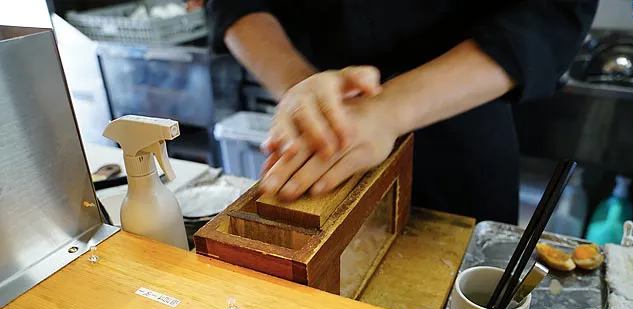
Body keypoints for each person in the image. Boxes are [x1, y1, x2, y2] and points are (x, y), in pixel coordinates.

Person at [211, 1, 598, 224]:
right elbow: (234, 4)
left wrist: (388, 109)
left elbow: (553, 9)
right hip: (319, 129)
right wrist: (299, 86)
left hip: (457, 118)